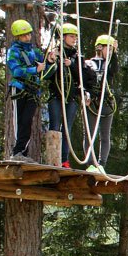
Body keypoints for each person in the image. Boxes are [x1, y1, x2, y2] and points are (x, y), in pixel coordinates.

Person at [43, 23, 95, 168]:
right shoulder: (54, 53)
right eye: (71, 36)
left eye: (75, 37)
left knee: (67, 129)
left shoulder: (77, 57)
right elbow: (45, 75)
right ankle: (53, 158)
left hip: (71, 98)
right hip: (56, 96)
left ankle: (64, 159)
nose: (74, 39)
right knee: (54, 127)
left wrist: (71, 64)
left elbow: (84, 77)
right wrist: (51, 61)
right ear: (63, 37)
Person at [6, 19, 45, 162]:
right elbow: (16, 71)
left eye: (28, 35)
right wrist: (35, 69)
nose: (27, 38)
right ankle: (18, 151)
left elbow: (44, 60)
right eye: (24, 36)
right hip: (20, 88)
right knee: (20, 120)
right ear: (17, 36)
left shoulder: (34, 51)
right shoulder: (13, 51)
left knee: (27, 120)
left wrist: (51, 58)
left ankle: (22, 151)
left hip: (33, 90)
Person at [83, 34, 119, 173]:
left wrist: (114, 53)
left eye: (111, 50)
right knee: (90, 134)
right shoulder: (88, 63)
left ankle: (101, 164)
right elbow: (83, 82)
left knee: (105, 135)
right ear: (99, 48)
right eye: (107, 49)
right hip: (92, 102)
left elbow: (114, 69)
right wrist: (85, 95)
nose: (109, 52)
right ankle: (90, 164)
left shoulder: (109, 64)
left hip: (106, 102)